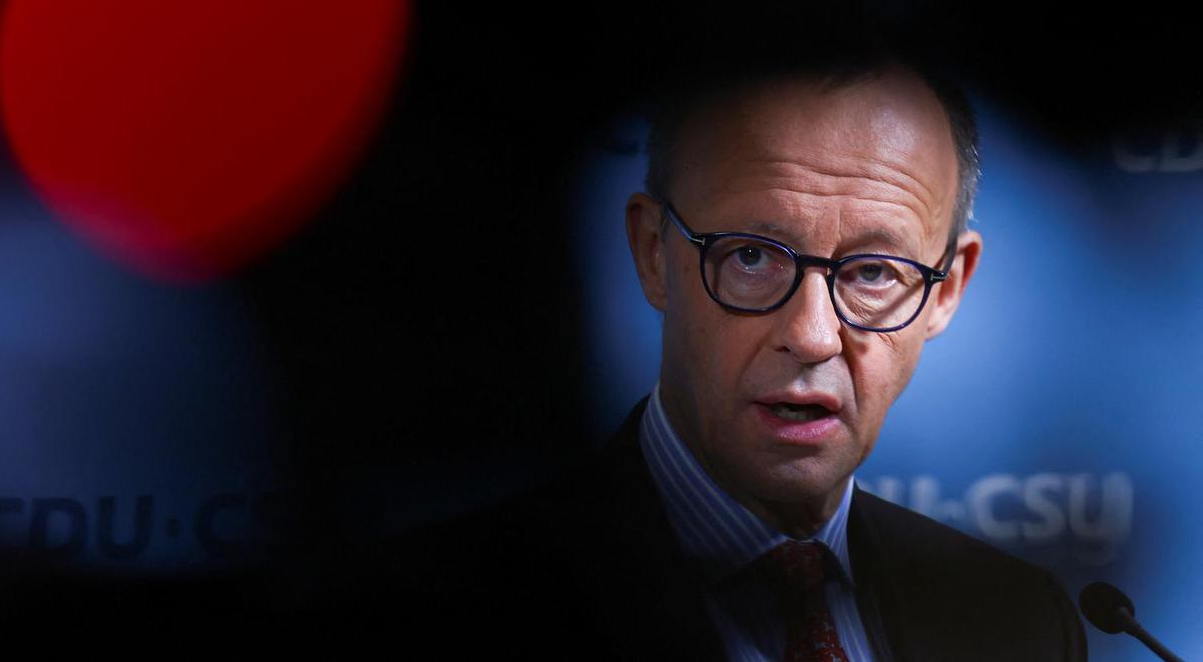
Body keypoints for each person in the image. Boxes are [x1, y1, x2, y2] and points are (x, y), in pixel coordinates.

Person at [362, 47, 1088, 660]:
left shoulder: (1022, 621)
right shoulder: (437, 612)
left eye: (872, 272)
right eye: (750, 257)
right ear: (653, 253)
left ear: (946, 289)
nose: (810, 334)